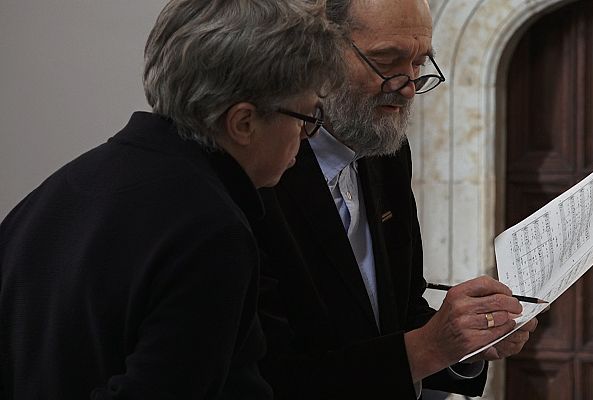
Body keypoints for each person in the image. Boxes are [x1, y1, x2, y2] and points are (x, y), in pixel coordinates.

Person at [0, 1, 344, 398]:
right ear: (244, 122)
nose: (307, 135)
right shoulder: (211, 231)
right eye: (307, 117)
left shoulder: (62, 188)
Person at [251, 0, 539, 398]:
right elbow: (269, 374)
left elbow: (401, 312)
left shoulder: (387, 152)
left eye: (420, 64)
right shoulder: (260, 168)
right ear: (316, 53)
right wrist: (432, 345)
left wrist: (468, 343)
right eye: (387, 61)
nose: (408, 86)